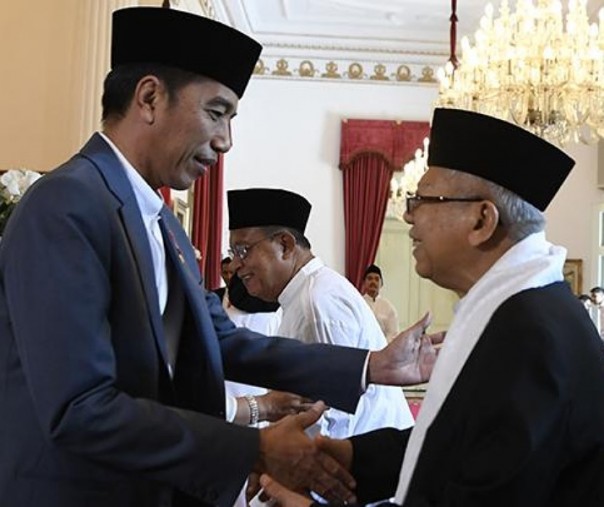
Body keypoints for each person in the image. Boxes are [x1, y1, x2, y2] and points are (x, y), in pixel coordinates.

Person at [0, 7, 442, 507]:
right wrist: (252, 448)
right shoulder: (67, 205)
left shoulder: (163, 221)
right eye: (216, 113)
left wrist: (372, 365)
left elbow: (222, 341)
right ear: (149, 98)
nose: (224, 141)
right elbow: (79, 408)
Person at [258, 108, 604, 507]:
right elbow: (465, 442)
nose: (407, 214)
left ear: (482, 221)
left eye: (423, 199)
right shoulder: (517, 310)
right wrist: (355, 457)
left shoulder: (528, 336)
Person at [228, 188, 415, 442]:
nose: (235, 265)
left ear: (285, 245)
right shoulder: (305, 293)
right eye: (233, 254)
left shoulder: (317, 303)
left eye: (243, 250)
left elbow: (328, 421)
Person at [361, 264, 399, 341]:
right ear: (364, 282)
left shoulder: (388, 308)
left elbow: (393, 334)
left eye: (376, 279)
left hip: (383, 349)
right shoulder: (358, 303)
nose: (373, 282)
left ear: (381, 284)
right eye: (370, 278)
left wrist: (381, 348)